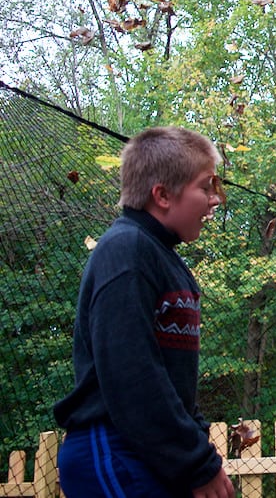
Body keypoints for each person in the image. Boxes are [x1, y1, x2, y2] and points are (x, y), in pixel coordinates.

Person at [54, 126, 235, 498]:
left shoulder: (165, 259)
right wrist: (195, 464)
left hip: (151, 453)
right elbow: (132, 375)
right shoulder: (126, 251)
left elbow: (173, 384)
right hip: (113, 450)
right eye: (205, 187)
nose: (215, 200)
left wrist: (204, 456)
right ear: (163, 195)